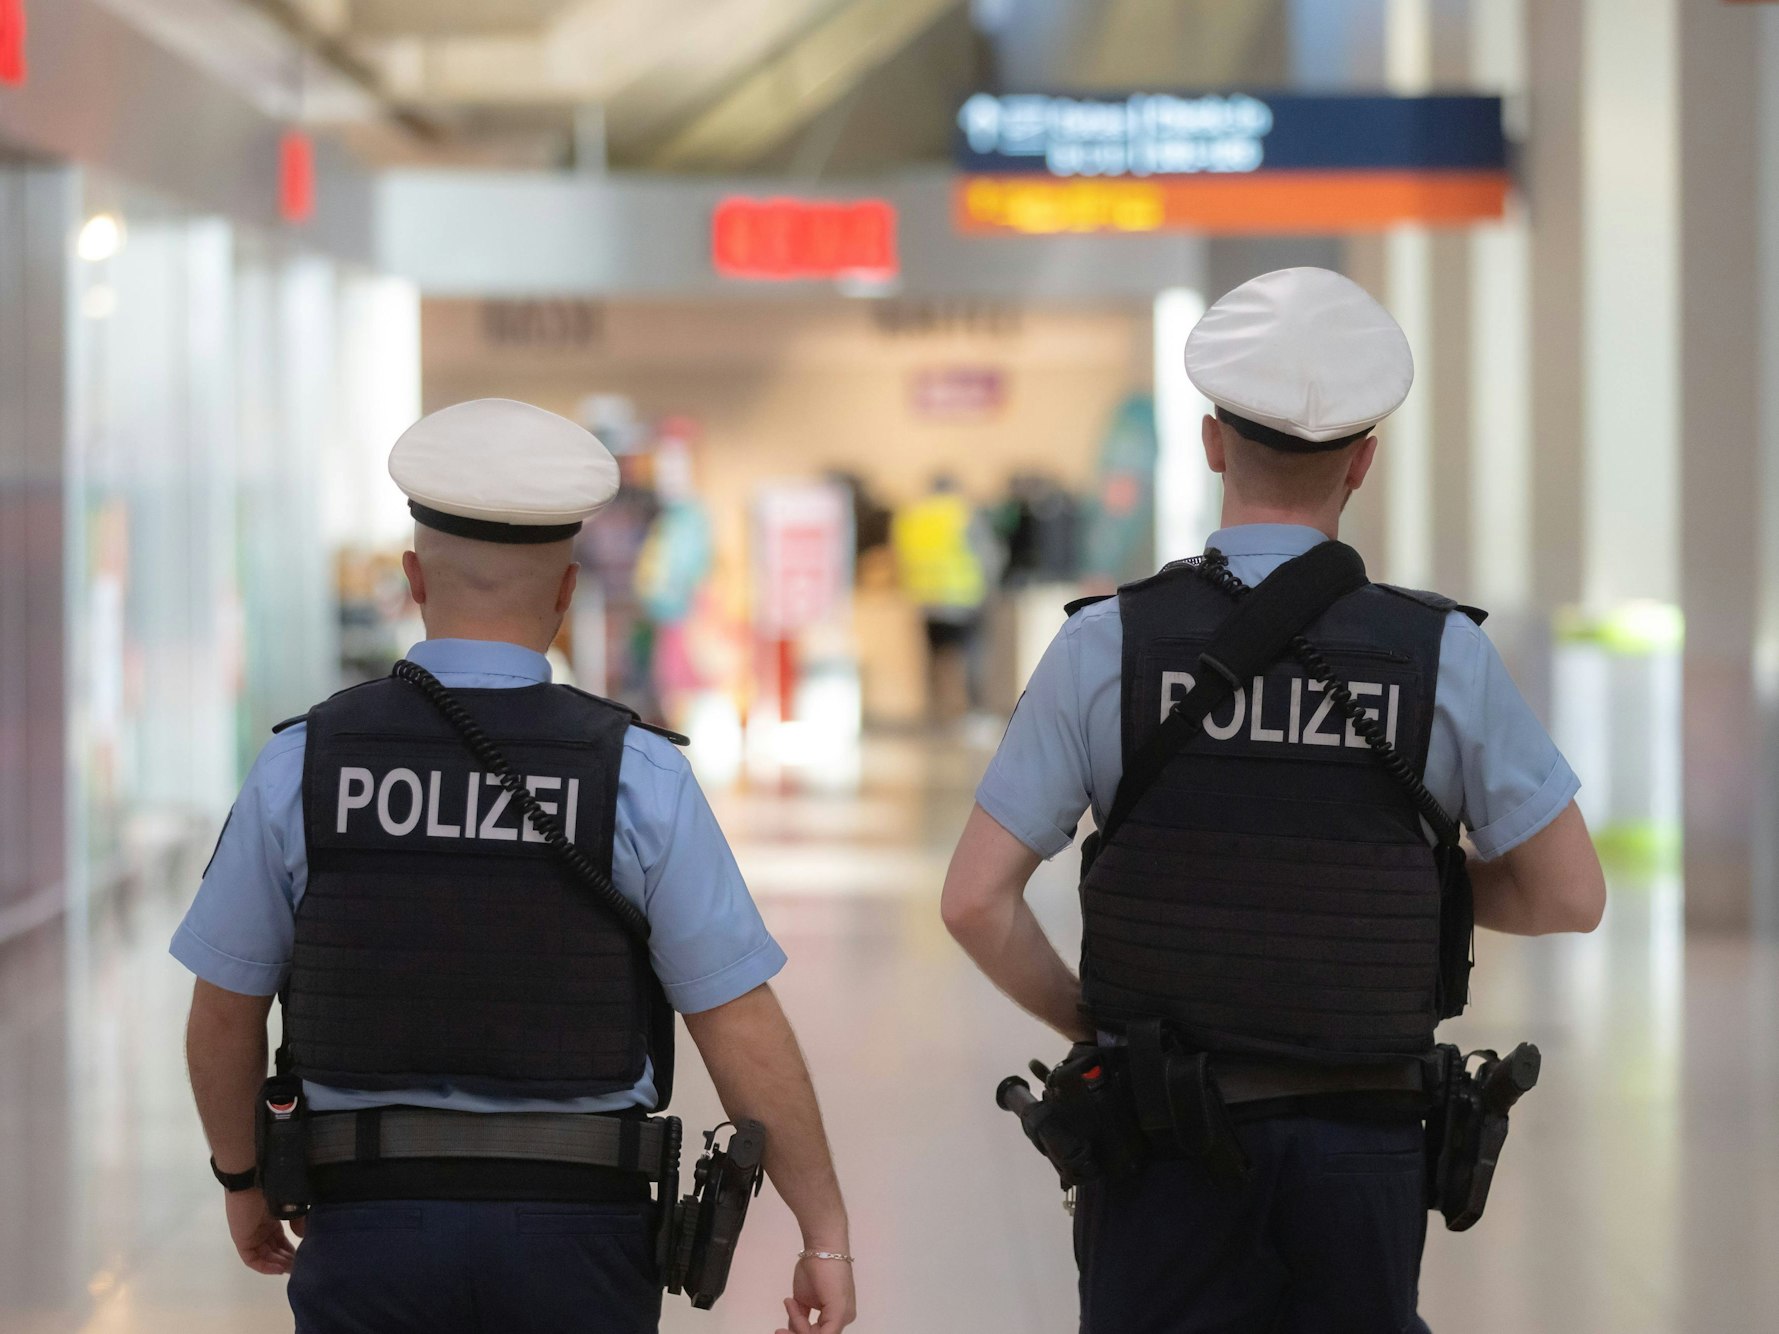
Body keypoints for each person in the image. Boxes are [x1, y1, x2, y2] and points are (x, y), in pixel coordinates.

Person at [940, 268, 1607, 1333]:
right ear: (1364, 461)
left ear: (1212, 444)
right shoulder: (1442, 653)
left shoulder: (1107, 645)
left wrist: (1095, 1023)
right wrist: (1417, 881)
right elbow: (1569, 893)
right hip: (1363, 1143)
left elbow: (975, 900)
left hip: (1159, 1134)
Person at [172, 398, 856, 1334]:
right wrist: (823, 1234)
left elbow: (224, 1009)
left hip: (368, 1229)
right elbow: (735, 1018)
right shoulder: (639, 774)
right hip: (580, 1237)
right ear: (567, 592)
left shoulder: (305, 763)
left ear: (413, 579)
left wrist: (242, 1180)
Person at [890, 475, 998, 721]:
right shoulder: (963, 513)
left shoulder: (913, 516)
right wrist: (990, 586)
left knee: (934, 660)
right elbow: (987, 554)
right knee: (971, 658)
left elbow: (900, 555)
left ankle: (934, 713)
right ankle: (975, 713)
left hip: (926, 600)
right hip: (964, 598)